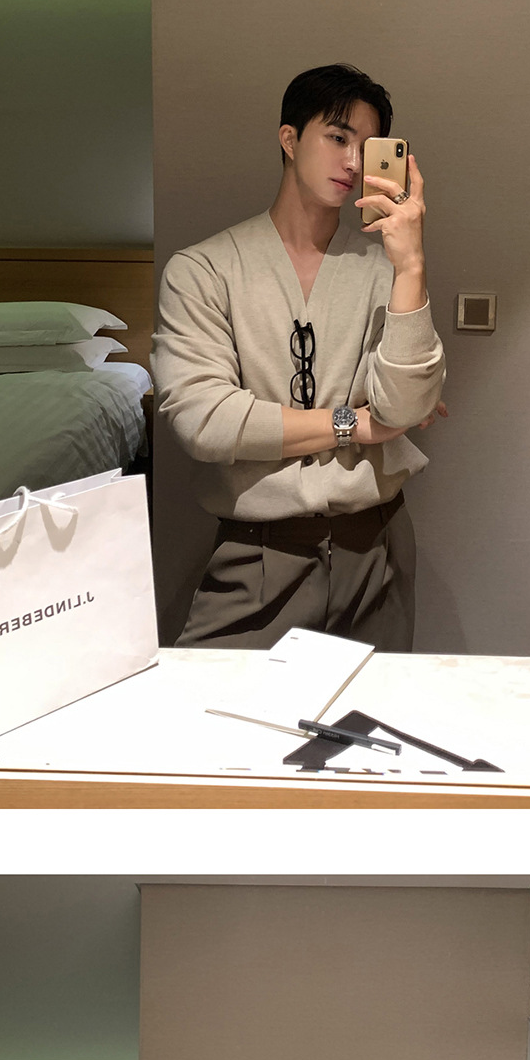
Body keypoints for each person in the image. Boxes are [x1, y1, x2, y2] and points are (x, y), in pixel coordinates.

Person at [152, 63, 447, 650]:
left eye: (368, 146)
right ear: (289, 139)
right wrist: (355, 424)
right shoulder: (204, 270)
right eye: (337, 137)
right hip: (257, 553)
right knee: (218, 705)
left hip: (377, 549)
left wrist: (411, 264)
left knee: (372, 707)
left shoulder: (383, 270)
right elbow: (204, 421)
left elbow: (408, 405)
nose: (353, 162)